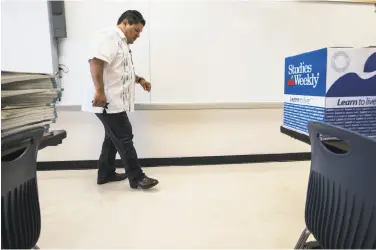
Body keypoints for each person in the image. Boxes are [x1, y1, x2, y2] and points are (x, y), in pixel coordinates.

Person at [86, 10, 159, 190]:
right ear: (125, 23)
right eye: (136, 30)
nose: (138, 35)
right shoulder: (109, 36)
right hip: (107, 101)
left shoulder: (122, 43)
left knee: (112, 138)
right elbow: (96, 62)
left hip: (113, 101)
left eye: (140, 32)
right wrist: (99, 91)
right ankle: (137, 178)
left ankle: (106, 174)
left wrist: (139, 80)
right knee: (124, 136)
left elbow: (121, 70)